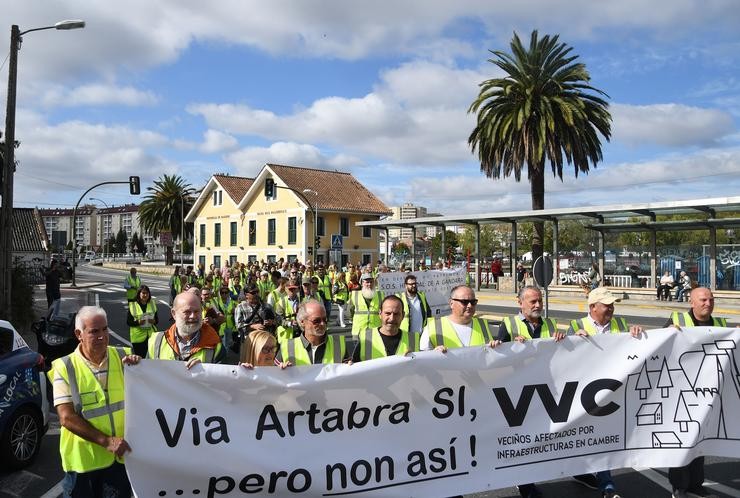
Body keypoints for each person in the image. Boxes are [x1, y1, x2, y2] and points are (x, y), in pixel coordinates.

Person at [49, 306, 141, 497]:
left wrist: (141, 368)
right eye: (94, 331)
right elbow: (66, 418)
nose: (102, 336)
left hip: (118, 462)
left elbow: (149, 394)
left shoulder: (124, 357)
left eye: (105, 329)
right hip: (83, 464)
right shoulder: (64, 366)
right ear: (79, 334)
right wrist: (106, 441)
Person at [566, 287, 643, 498]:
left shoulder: (619, 324)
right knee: (585, 436)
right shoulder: (576, 325)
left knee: (603, 436)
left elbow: (631, 348)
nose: (611, 308)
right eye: (606, 305)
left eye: (612, 304)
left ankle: (607, 485)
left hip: (611, 390)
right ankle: (582, 472)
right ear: (592, 307)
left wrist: (636, 333)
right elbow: (564, 357)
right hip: (584, 392)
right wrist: (572, 339)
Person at [497, 286, 564, 498]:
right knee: (522, 440)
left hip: (546, 390)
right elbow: (498, 359)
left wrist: (568, 338)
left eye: (540, 301)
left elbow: (566, 353)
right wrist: (510, 347)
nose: (537, 305)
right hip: (518, 393)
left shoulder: (551, 324)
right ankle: (526, 484)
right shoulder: (509, 324)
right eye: (532, 301)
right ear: (520, 303)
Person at [664, 287, 727, 498]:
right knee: (682, 440)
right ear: (691, 302)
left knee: (701, 440)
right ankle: (679, 486)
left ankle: (695, 484)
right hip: (681, 392)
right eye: (703, 300)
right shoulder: (677, 319)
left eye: (710, 299)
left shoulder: (720, 325)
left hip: (707, 392)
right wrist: (668, 333)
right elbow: (659, 347)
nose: (707, 303)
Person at [147, 292, 225, 366]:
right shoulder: (157, 341)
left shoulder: (215, 345)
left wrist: (205, 370)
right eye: (187, 312)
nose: (193, 316)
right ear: (174, 314)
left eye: (197, 311)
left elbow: (223, 377)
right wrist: (136, 364)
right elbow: (146, 373)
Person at [420, 285, 497, 351]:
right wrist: (433, 353)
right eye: (464, 302)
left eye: (473, 302)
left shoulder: (483, 325)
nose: (470, 305)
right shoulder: (433, 327)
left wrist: (496, 348)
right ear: (451, 303)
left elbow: (490, 356)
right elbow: (422, 359)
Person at [276, 299, 347, 365]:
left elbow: (348, 373)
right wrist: (279, 370)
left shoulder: (339, 344)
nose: (322, 324)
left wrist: (350, 365)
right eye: (316, 321)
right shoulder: (287, 347)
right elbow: (271, 375)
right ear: (302, 322)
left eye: (325, 319)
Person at [352, 295, 418, 362]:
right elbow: (354, 367)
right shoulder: (365, 338)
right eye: (388, 313)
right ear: (380, 314)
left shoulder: (413, 340)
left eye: (396, 314)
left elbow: (422, 367)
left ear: (403, 315)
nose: (392, 318)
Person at [234, 285, 277, 351]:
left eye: (257, 292)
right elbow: (238, 325)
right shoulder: (240, 307)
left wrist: (272, 322)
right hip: (250, 341)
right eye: (253, 293)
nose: (256, 294)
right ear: (246, 295)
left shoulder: (266, 306)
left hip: (265, 340)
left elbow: (278, 319)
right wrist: (252, 326)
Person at [126, 285, 158, 357]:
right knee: (140, 359)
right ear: (139, 294)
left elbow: (157, 320)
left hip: (150, 336)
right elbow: (128, 322)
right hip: (138, 338)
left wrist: (153, 321)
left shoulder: (152, 304)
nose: (145, 295)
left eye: (147, 293)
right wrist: (138, 322)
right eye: (143, 293)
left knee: (151, 357)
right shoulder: (133, 305)